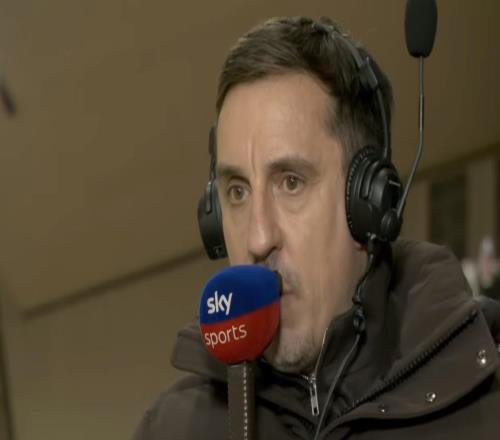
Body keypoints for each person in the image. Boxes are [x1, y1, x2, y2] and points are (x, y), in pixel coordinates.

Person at [133, 16, 500, 439]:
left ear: (368, 202)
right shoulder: (171, 428)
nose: (258, 239)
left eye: (291, 182)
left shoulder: (486, 390)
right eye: (237, 192)